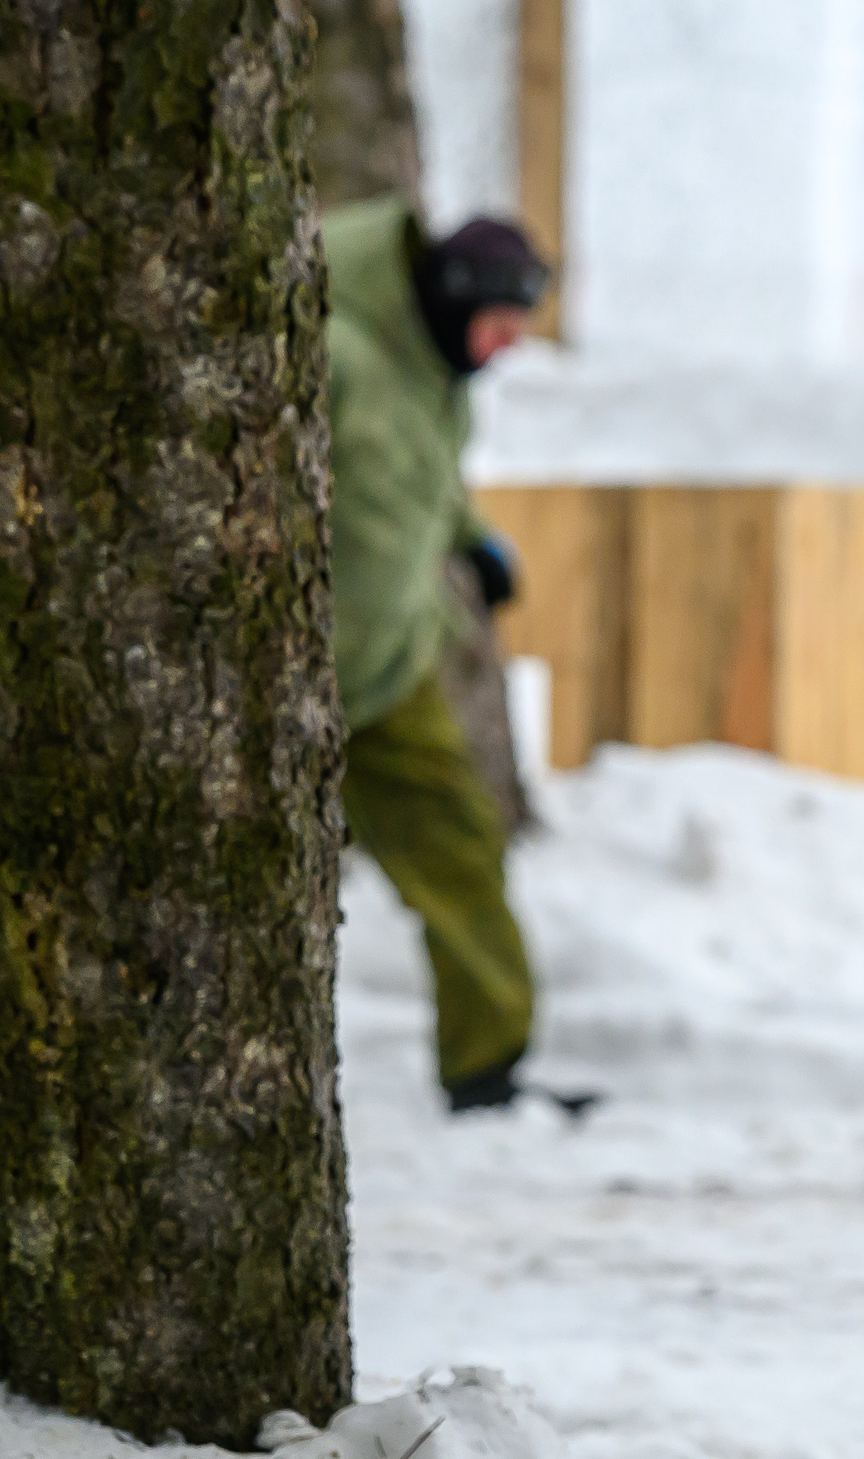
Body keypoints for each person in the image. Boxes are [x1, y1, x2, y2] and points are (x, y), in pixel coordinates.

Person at [322, 197, 558, 1115]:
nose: (505, 350)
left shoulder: (435, 376)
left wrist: (473, 538)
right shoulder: (337, 352)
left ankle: (488, 1069)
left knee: (461, 847)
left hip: (383, 674)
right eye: (499, 325)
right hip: (278, 687)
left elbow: (419, 475)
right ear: (455, 297)